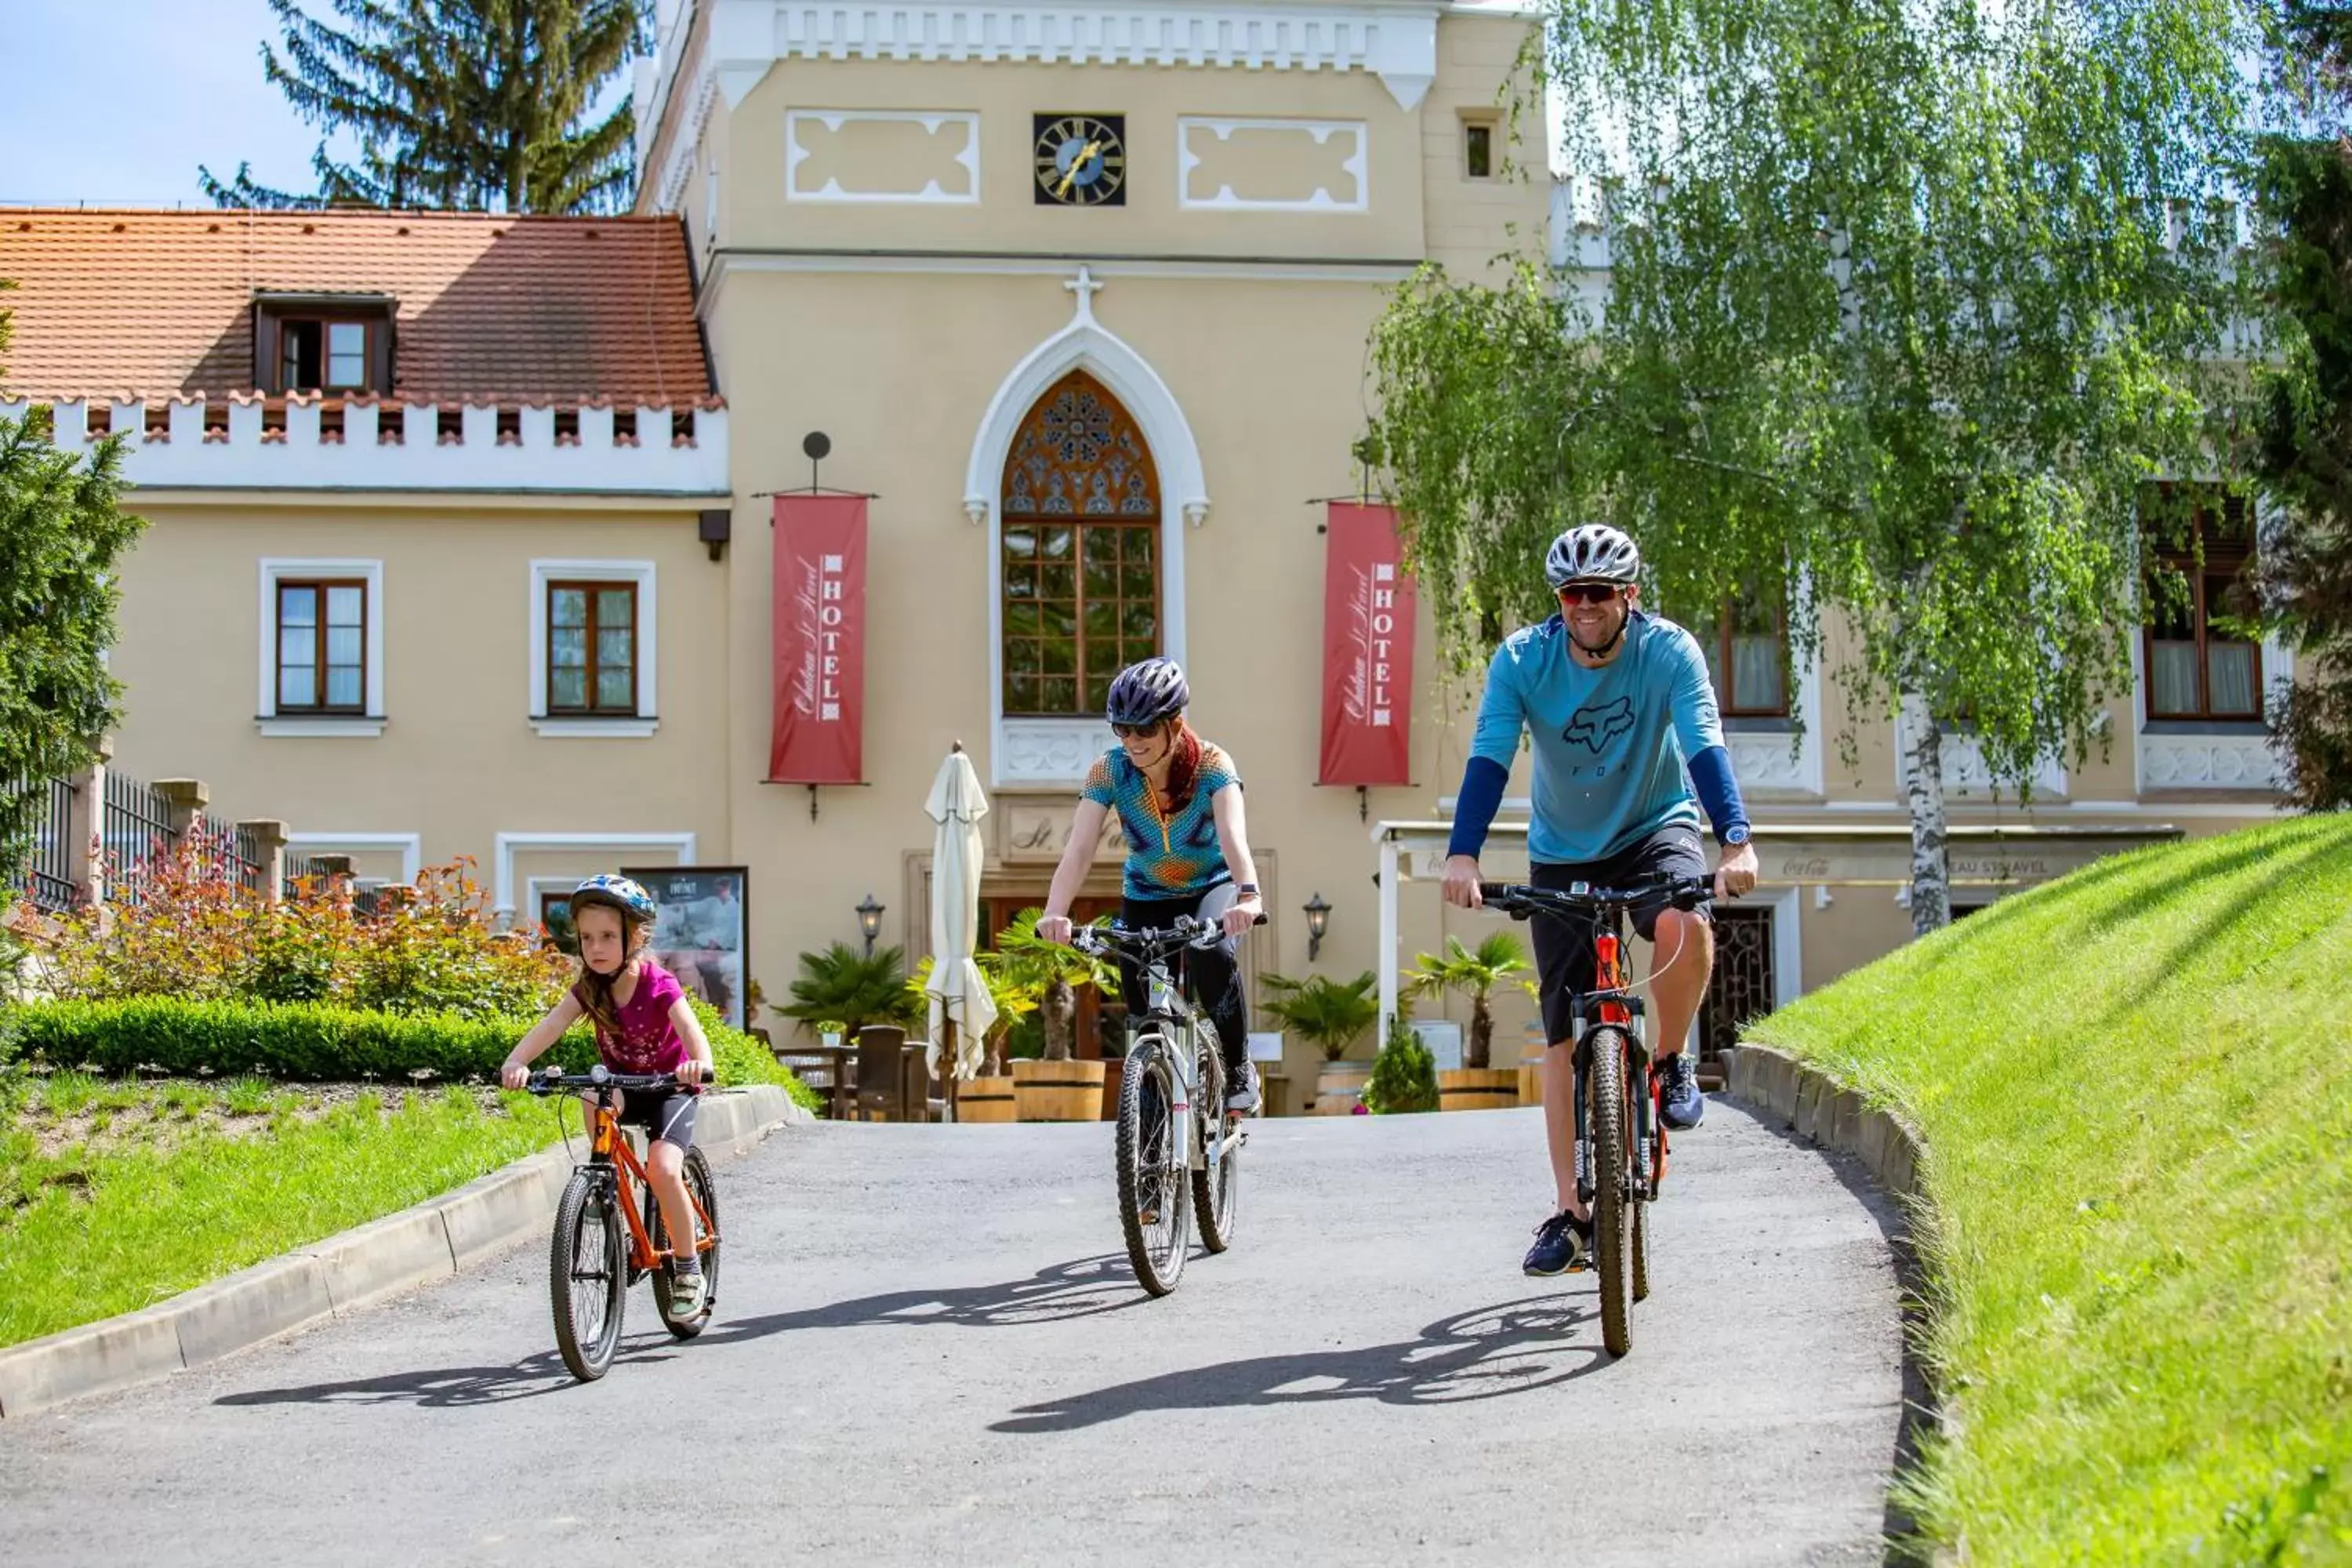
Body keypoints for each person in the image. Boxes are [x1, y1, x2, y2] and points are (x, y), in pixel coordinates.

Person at [1440, 524, 1760, 1277]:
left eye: (1600, 594)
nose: (1585, 607)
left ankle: (1675, 1061)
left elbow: (1705, 746)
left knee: (1686, 926)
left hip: (1656, 827)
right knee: (1560, 1036)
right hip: (1562, 849)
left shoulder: (1670, 651)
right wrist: (1463, 854)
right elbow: (1489, 755)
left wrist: (1736, 840)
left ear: (1629, 596)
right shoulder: (1523, 659)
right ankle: (1572, 1214)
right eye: (1572, 594)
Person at [1038, 657, 1268, 1112]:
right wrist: (1055, 911)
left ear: (1175, 725)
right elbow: (1079, 849)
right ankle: (1151, 1125)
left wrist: (1248, 894)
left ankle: (1239, 1067)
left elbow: (1233, 836)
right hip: (1145, 895)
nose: (1132, 741)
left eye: (1143, 730)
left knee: (1211, 952)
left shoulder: (1214, 767)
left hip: (1211, 887)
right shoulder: (1110, 772)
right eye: (1122, 729)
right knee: (1143, 1016)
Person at [502, 874, 717, 1313]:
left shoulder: (658, 985)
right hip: (623, 1086)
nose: (595, 947)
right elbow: (552, 1025)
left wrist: (697, 1062)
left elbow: (693, 1034)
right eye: (586, 937)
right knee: (589, 1098)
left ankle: (688, 1267)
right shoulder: (590, 989)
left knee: (661, 1168)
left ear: (634, 937)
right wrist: (516, 1062)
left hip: (669, 1088)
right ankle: (605, 1181)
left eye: (606, 937)